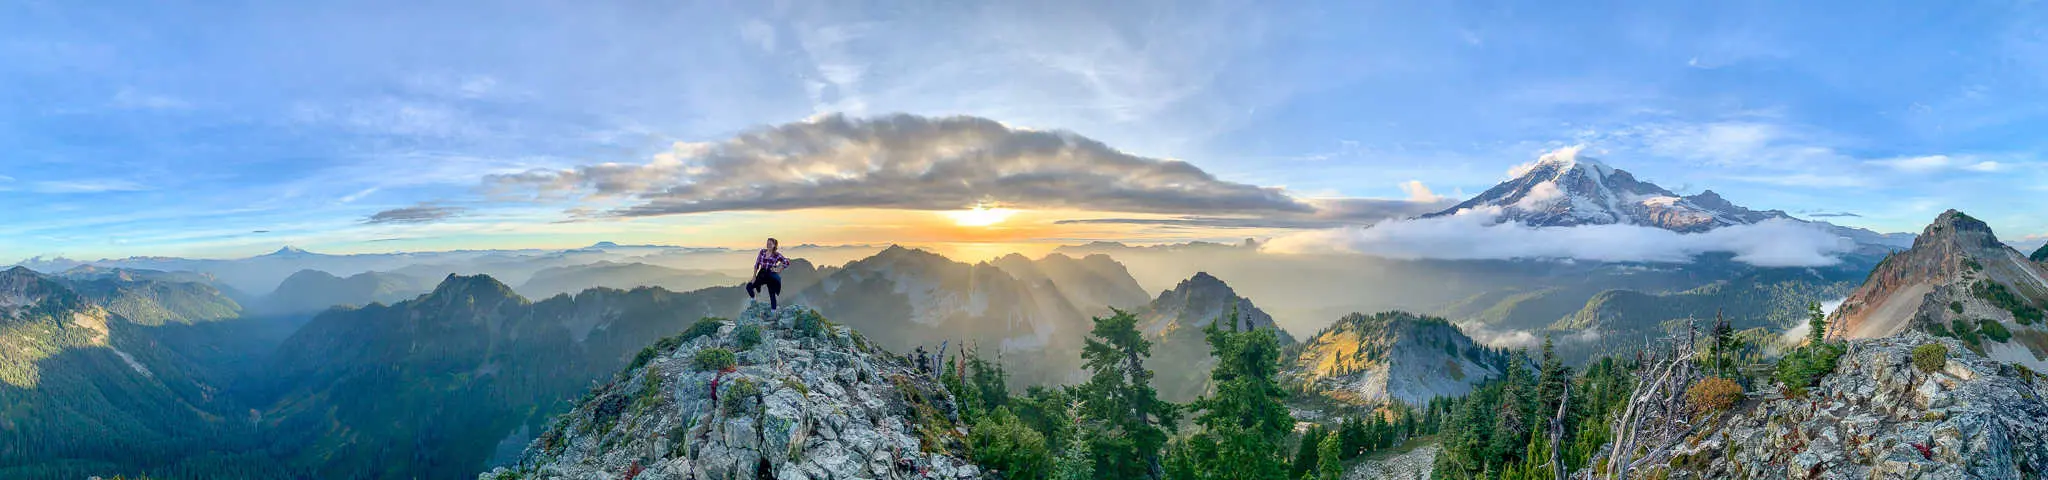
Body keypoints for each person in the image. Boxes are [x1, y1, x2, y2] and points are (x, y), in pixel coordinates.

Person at [744, 238, 791, 311]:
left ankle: (773, 312)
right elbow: (757, 264)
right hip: (762, 274)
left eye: (770, 244)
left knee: (772, 294)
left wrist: (778, 269)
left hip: (770, 275)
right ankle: (753, 300)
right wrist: (754, 276)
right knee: (749, 286)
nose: (768, 245)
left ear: (774, 245)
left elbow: (786, 262)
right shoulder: (762, 252)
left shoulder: (777, 255)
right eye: (767, 243)